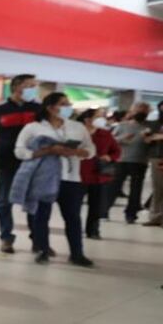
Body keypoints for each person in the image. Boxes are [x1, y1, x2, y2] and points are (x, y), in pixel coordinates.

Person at [15, 93, 95, 267]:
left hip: (71, 178)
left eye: (68, 103)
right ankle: (42, 250)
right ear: (50, 108)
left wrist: (80, 152)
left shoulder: (77, 127)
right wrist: (47, 151)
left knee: (73, 217)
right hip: (44, 178)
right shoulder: (33, 127)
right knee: (41, 216)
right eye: (63, 104)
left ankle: (77, 254)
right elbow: (19, 151)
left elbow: (90, 148)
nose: (68, 107)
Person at [0, 74, 41, 254]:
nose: (33, 89)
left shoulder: (39, 110)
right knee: (4, 202)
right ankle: (6, 238)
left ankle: (37, 239)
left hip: (32, 163)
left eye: (35, 86)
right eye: (29, 85)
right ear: (16, 87)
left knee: (33, 202)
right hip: (5, 164)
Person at [77, 109, 120, 240]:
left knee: (96, 205)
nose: (102, 119)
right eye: (98, 117)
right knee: (74, 206)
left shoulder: (105, 134)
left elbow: (116, 151)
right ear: (87, 119)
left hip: (98, 175)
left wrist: (110, 157)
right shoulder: (77, 133)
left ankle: (93, 230)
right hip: (78, 175)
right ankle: (75, 230)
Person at [107, 102, 151, 223]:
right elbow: (111, 140)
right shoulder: (122, 125)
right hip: (122, 160)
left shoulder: (149, 127)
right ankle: (104, 210)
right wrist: (123, 138)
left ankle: (131, 214)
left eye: (144, 111)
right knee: (114, 187)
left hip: (140, 161)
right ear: (132, 111)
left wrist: (149, 139)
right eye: (138, 110)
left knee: (136, 189)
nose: (141, 113)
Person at [143, 101, 163, 227]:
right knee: (157, 188)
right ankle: (155, 217)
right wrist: (151, 137)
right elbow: (147, 139)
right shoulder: (153, 123)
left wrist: (158, 137)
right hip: (156, 157)